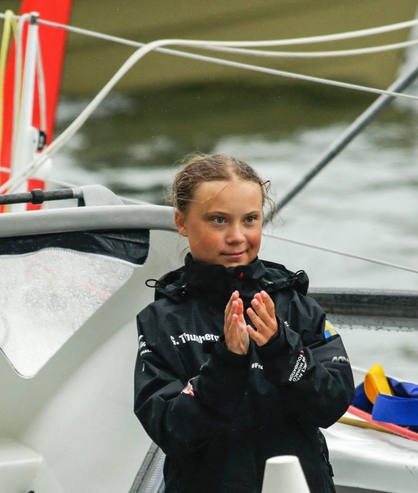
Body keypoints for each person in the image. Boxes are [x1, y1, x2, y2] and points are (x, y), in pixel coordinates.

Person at [134, 154, 355, 493]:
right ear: (182, 222)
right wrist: (226, 362)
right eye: (219, 220)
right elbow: (170, 430)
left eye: (250, 219)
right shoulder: (162, 321)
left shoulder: (297, 306)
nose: (237, 236)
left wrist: (282, 349)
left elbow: (332, 404)